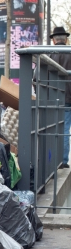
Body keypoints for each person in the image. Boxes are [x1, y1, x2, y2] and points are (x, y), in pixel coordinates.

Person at [50, 26, 71, 168]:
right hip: (68, 97)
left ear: (53, 40)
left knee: (53, 129)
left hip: (53, 98)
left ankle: (56, 161)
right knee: (65, 129)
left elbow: (36, 76)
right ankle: (63, 160)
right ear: (66, 39)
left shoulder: (49, 54)